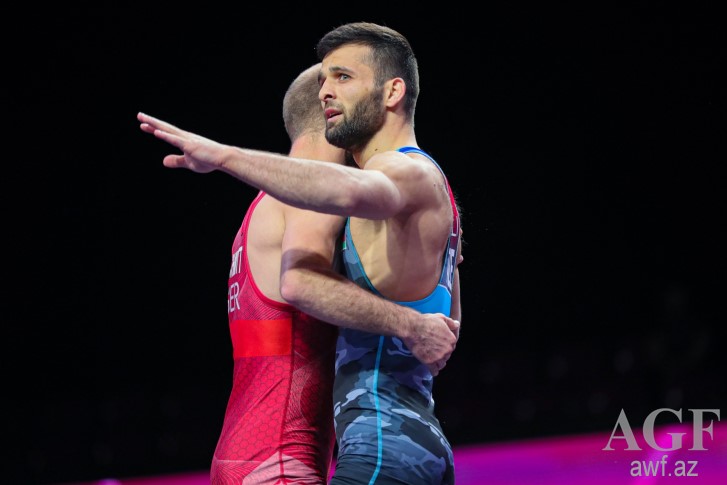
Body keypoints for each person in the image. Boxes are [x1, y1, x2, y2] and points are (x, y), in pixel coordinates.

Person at [138, 21, 462, 484]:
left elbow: (347, 201)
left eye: (343, 77)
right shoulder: (409, 195)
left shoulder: (394, 174)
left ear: (392, 91)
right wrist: (415, 323)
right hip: (343, 449)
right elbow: (442, 332)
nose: (329, 90)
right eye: (325, 81)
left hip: (352, 448)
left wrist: (224, 156)